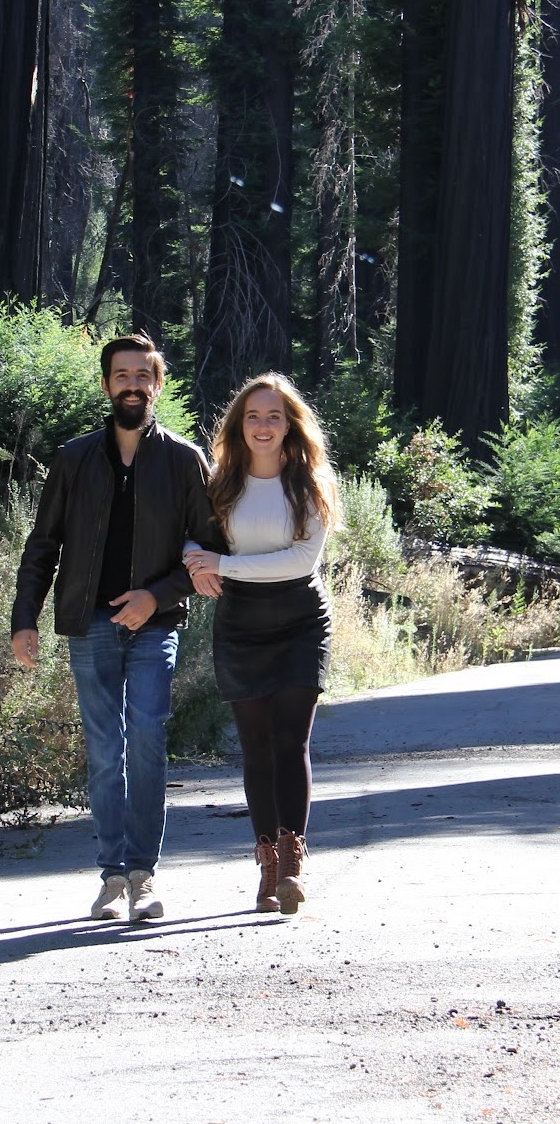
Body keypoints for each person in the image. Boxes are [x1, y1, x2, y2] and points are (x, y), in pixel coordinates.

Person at [11, 334, 221, 923]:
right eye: (121, 375)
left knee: (147, 739)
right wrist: (23, 616)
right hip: (91, 624)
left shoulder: (184, 460)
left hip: (155, 625)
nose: (132, 385)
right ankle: (111, 875)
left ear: (157, 385)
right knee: (106, 751)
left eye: (142, 375)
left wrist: (155, 597)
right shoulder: (73, 459)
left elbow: (212, 549)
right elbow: (43, 544)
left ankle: (144, 876)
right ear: (107, 385)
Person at [184, 373, 339, 916]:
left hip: (300, 620)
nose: (264, 426)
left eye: (274, 416)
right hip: (241, 625)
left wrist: (223, 564)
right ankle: (267, 866)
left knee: (289, 741)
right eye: (253, 416)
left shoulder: (312, 484)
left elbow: (302, 560)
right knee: (254, 745)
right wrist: (193, 557)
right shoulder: (221, 481)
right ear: (239, 425)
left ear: (290, 424)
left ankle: (293, 864)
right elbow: (191, 533)